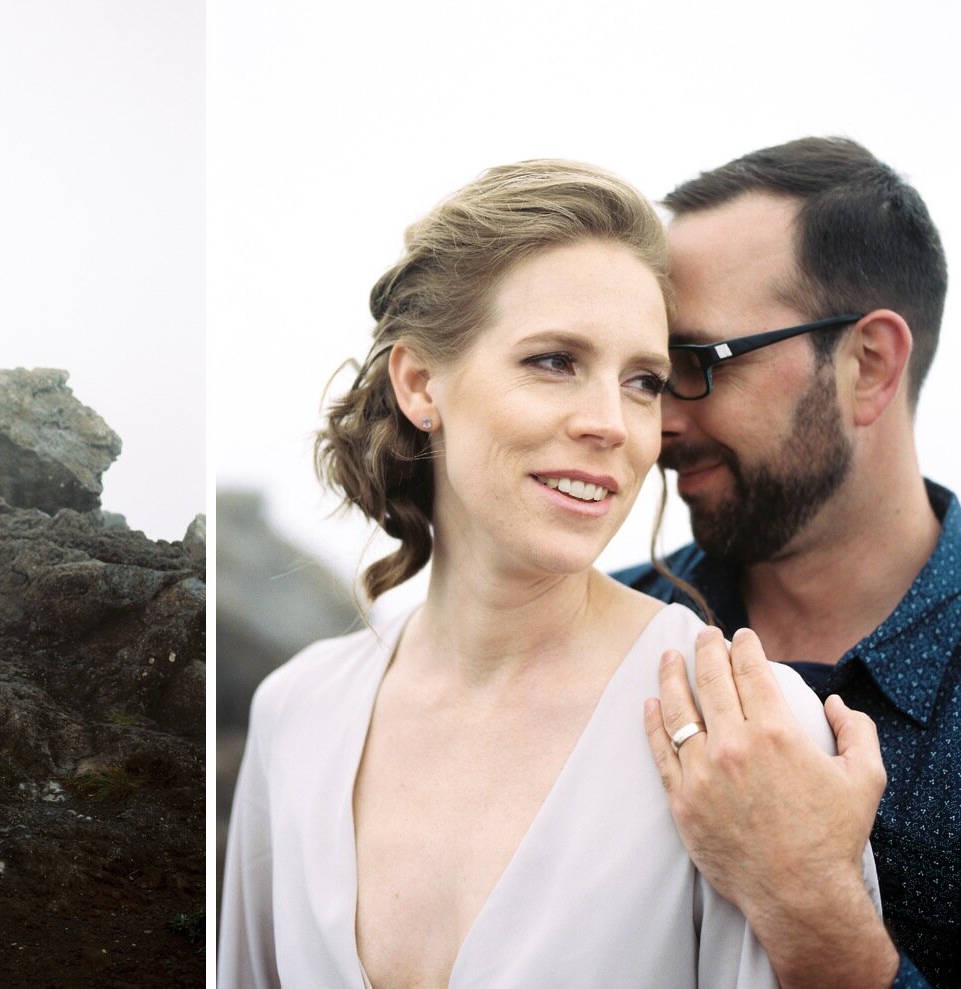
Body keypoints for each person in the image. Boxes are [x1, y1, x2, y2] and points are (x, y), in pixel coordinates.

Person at [217, 161, 880, 988]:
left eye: (642, 381)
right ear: (421, 383)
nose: (612, 424)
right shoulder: (296, 713)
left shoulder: (745, 730)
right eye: (554, 361)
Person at [620, 137, 955, 988]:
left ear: (869, 364)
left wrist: (809, 906)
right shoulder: (601, 634)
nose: (658, 424)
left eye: (700, 364)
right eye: (656, 374)